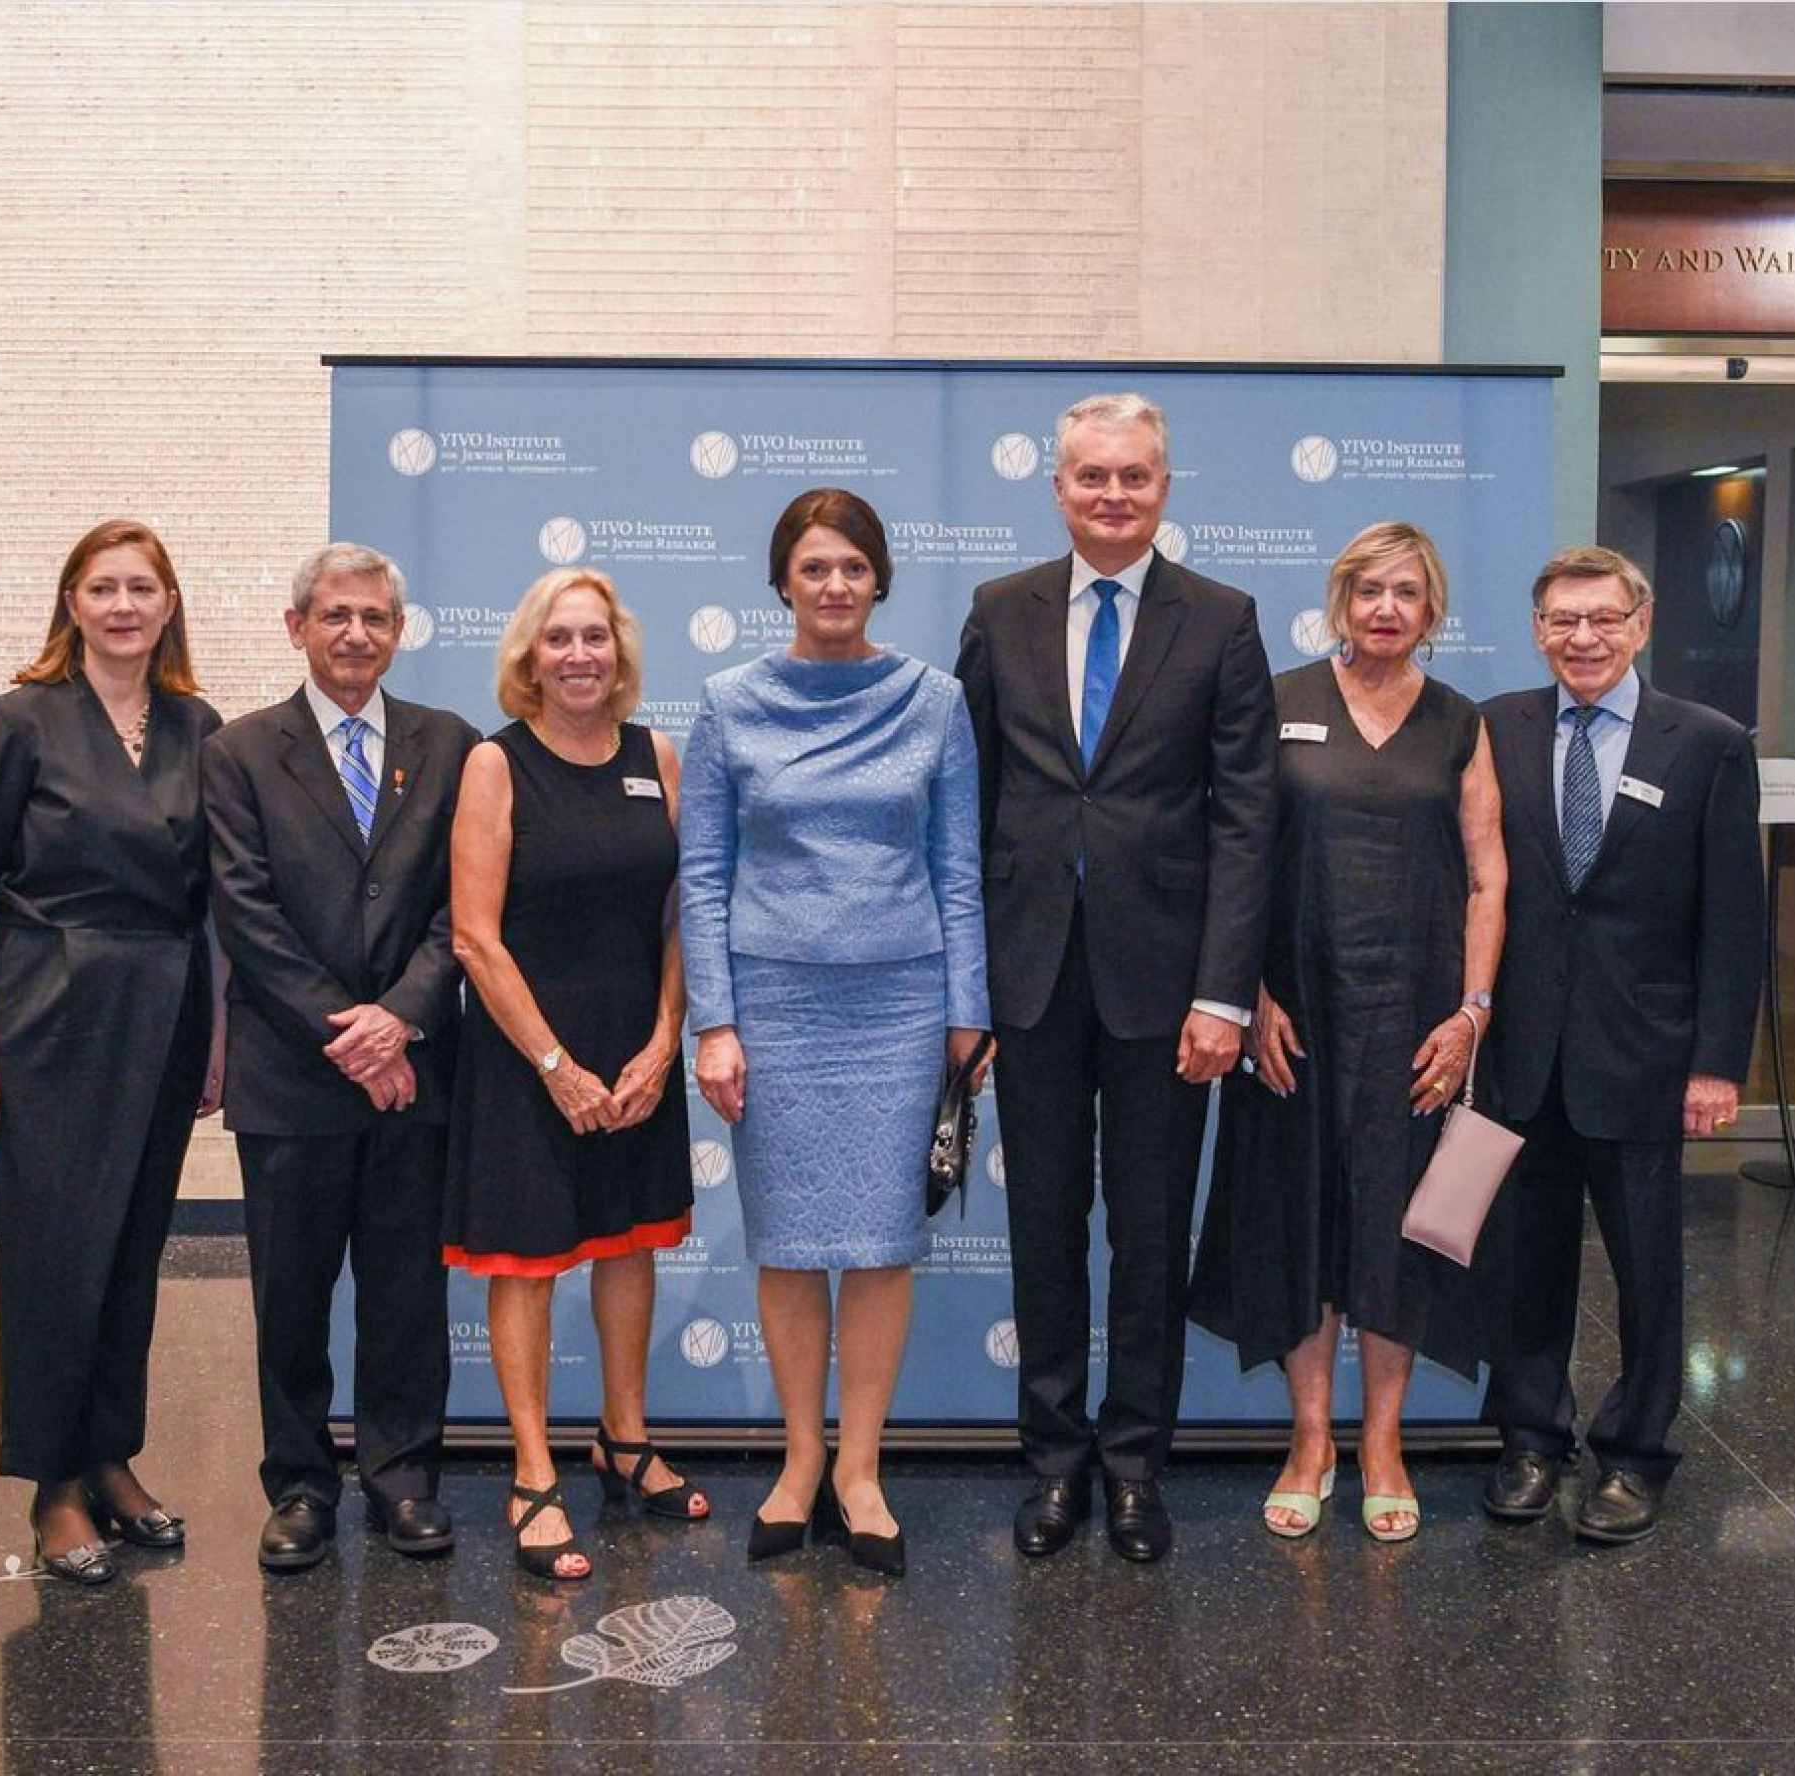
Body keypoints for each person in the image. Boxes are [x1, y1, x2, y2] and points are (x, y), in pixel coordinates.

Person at [956, 394, 1275, 1563]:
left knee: (1148, 1234)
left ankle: (1136, 1465)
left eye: (1133, 476)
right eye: (1091, 476)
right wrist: (968, 993)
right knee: (1042, 1230)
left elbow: (1246, 817)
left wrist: (1223, 995)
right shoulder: (1000, 611)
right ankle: (1053, 1464)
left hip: (1169, 992)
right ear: (1058, 488)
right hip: (1030, 981)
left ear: (1164, 488)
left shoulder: (1222, 619)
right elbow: (967, 805)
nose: (1112, 495)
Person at [680, 487, 989, 1579]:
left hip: (900, 1007)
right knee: (788, 1242)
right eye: (814, 566)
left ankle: (861, 1470)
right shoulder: (728, 703)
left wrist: (967, 1016)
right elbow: (702, 874)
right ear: (782, 581)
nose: (835, 584)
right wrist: (715, 1023)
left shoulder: (933, 700)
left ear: (880, 579)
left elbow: (957, 868)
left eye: (853, 566)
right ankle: (800, 1461)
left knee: (881, 1244)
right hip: (773, 1008)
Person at [1189, 522, 1507, 1543]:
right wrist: (1246, 994)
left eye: (1405, 593)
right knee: (1299, 1223)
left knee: (1396, 1229)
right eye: (1368, 590)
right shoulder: (1277, 702)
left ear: (1431, 610)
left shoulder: (1459, 723)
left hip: (1416, 1026)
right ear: (1339, 601)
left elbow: (1488, 878)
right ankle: (1310, 1439)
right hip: (1293, 1020)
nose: (1385, 609)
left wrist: (1471, 1014)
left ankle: (1382, 1443)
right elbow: (1231, 855)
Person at [0, 518, 224, 1585]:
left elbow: (211, 905)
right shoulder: (15, 723)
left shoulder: (198, 727)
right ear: (72, 603)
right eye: (102, 588)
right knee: (55, 1258)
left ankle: (109, 1456)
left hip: (165, 1011)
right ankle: (54, 1487)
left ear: (168, 604)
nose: (122, 606)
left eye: (142, 588)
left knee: (132, 1251)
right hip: (50, 1016)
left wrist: (217, 1040)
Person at [1478, 545, 1764, 1544]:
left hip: (1644, 1050)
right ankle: (1529, 1440)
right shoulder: (1497, 728)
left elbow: (1735, 917)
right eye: (1563, 619)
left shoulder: (1708, 743)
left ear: (1640, 625)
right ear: (1537, 630)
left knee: (1646, 1264)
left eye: (1604, 618)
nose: (1584, 637)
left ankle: (1637, 1454)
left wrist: (1717, 1062)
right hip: (1521, 1050)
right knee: (1525, 1259)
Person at [203, 542, 477, 1572]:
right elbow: (246, 914)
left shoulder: (450, 745)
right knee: (292, 1296)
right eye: (335, 615)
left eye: (374, 618)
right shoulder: (237, 753)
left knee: (406, 1293)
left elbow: (463, 907)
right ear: (298, 628)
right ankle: (301, 1485)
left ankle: (403, 1477)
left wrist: (399, 1018)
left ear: (398, 633)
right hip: (290, 1077)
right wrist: (353, 1037)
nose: (356, 634)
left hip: (416, 1072)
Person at [448, 566, 702, 1583]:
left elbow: (684, 914)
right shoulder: (495, 764)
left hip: (636, 1050)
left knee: (628, 1243)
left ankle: (624, 1439)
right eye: (559, 639)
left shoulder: (658, 757)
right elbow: (474, 937)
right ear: (529, 655)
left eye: (595, 637)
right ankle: (532, 1472)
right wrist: (556, 1065)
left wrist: (664, 1040)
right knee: (529, 1261)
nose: (580, 655)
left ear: (620, 651)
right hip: (528, 1054)